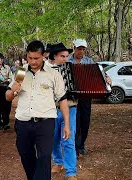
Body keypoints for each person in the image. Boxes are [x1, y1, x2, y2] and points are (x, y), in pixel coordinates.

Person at [5, 40, 70, 180]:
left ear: (43, 56)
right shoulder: (21, 72)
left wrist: (67, 125)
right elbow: (8, 97)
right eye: (30, 58)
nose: (33, 61)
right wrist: (13, 91)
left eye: (36, 58)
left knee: (44, 157)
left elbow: (63, 100)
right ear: (26, 56)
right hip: (23, 122)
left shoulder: (53, 74)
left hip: (45, 123)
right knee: (26, 155)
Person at [48, 43, 77, 180]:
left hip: (70, 107)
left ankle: (71, 171)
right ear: (54, 56)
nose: (65, 59)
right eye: (62, 56)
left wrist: (106, 79)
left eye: (67, 56)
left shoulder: (74, 69)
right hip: (51, 109)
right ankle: (58, 162)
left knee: (68, 140)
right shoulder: (47, 70)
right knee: (53, 139)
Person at [68, 39, 94, 156]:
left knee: (85, 121)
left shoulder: (89, 61)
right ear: (74, 48)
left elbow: (98, 74)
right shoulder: (67, 61)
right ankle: (75, 146)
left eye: (83, 49)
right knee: (75, 121)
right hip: (72, 96)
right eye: (79, 49)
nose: (81, 51)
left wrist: (107, 78)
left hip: (86, 96)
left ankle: (81, 144)